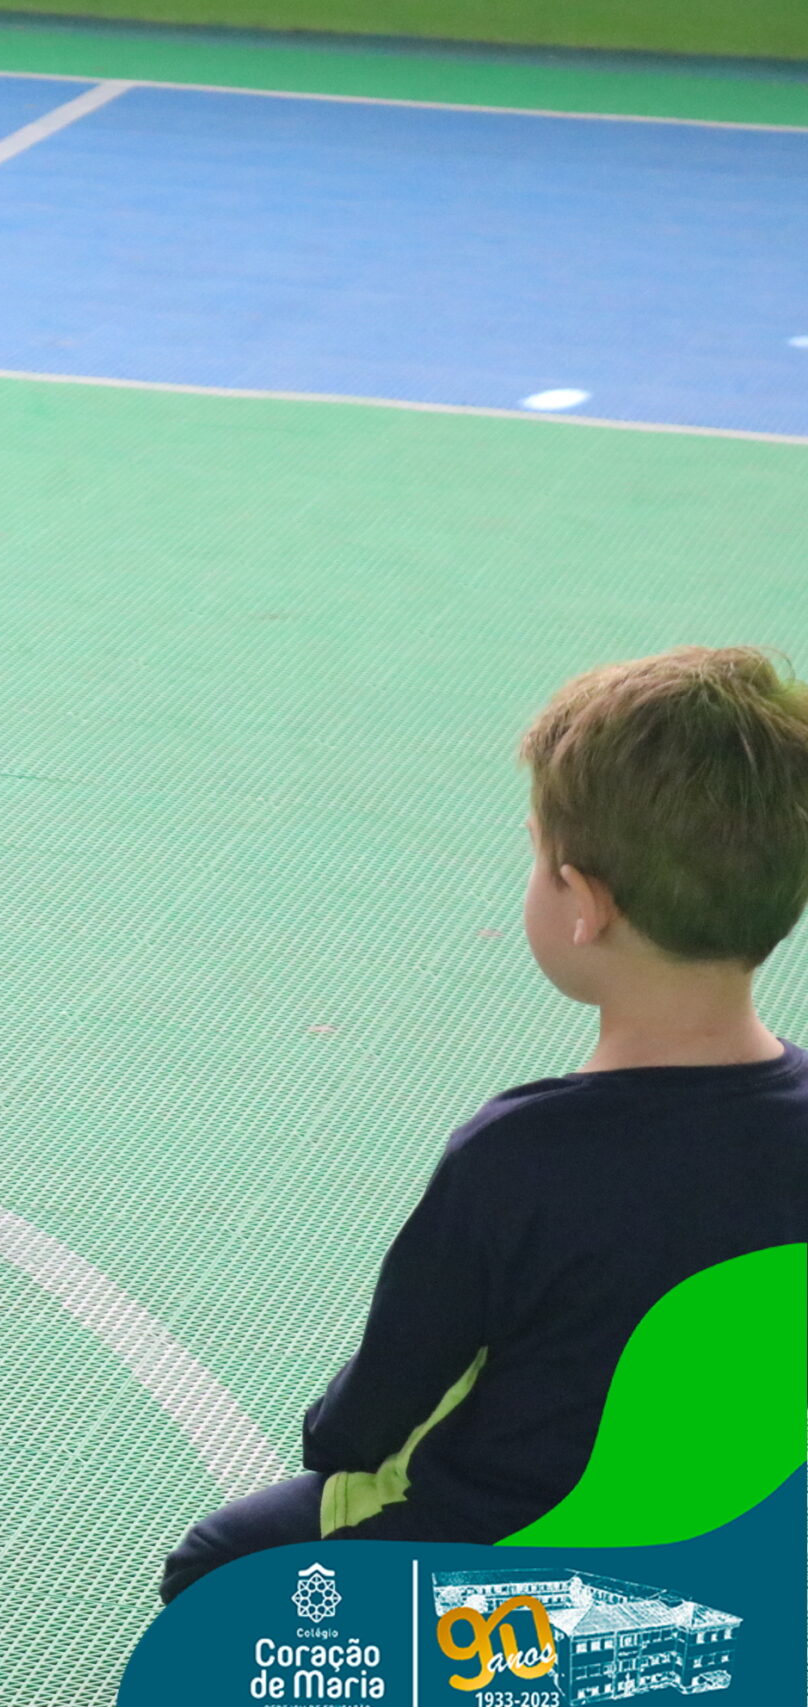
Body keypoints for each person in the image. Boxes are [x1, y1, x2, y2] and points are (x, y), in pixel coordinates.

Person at [161, 647, 808, 1601]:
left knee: (214, 1570)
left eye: (538, 856)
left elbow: (379, 1410)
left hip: (513, 1559)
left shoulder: (517, 1155)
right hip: (748, 1555)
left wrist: (332, 1437)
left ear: (585, 904)